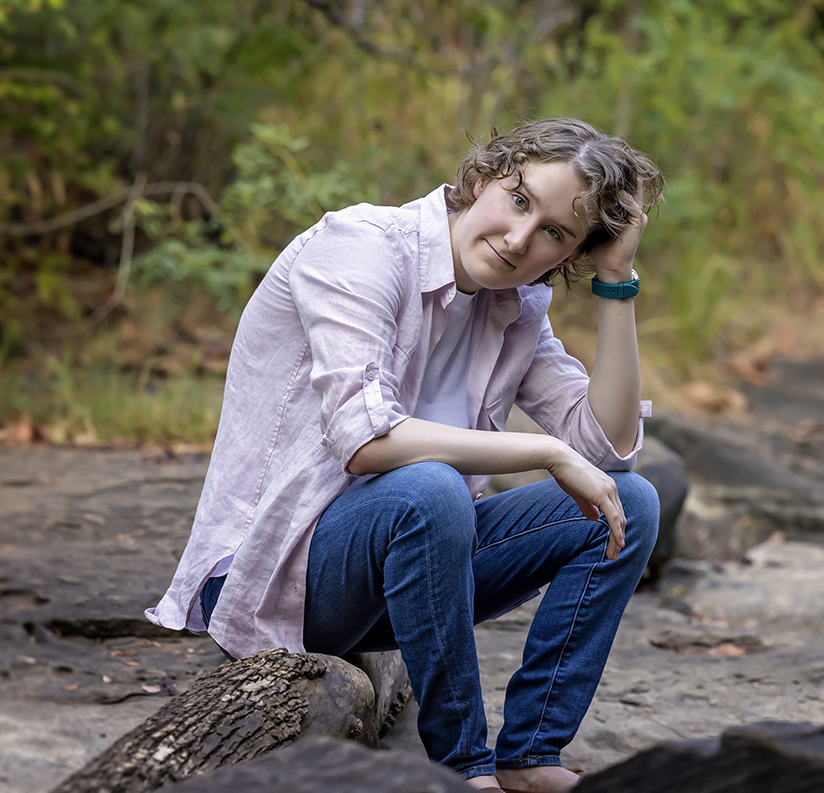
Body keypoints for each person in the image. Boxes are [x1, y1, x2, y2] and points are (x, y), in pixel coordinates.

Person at [146, 117, 666, 792]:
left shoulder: (513, 309)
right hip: (276, 574)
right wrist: (540, 449)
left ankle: (531, 754)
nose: (519, 238)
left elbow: (607, 447)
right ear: (479, 179)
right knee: (432, 488)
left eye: (555, 233)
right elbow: (363, 441)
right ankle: (464, 768)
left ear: (570, 255)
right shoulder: (360, 247)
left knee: (632, 503)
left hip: (409, 570)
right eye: (518, 200)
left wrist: (617, 281)